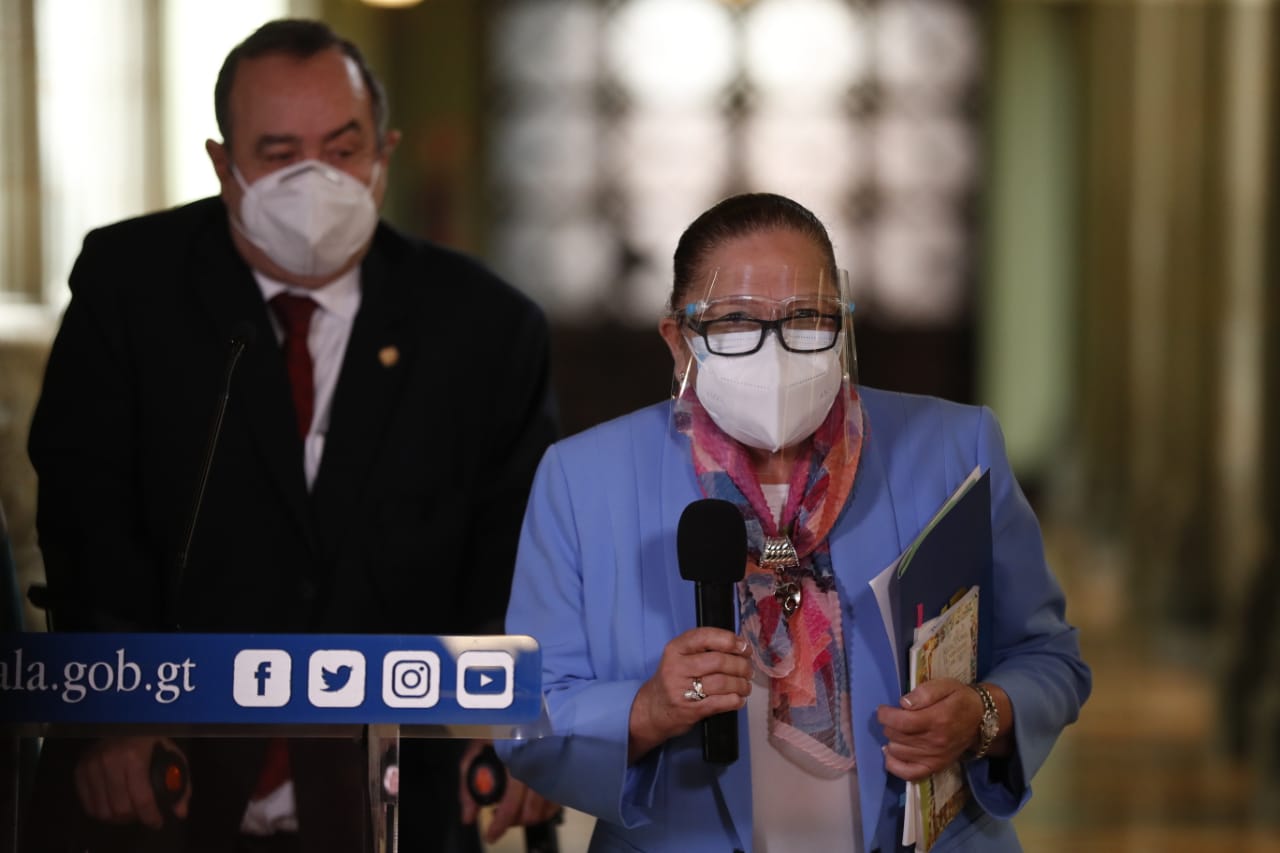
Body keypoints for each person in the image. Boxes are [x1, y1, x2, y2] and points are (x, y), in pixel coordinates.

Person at [25, 18, 558, 852]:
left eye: (342, 150)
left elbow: (518, 552)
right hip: (162, 776)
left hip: (396, 787)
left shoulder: (487, 327)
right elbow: (86, 514)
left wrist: (515, 721)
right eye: (279, 154)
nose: (315, 178)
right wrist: (114, 710)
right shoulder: (130, 286)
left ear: (385, 152)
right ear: (222, 165)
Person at [499, 192, 1092, 851]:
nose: (774, 351)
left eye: (808, 318)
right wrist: (644, 711)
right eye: (734, 322)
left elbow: (1049, 656)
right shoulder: (585, 480)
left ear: (844, 325)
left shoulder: (955, 449)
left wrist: (985, 716)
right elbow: (527, 711)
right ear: (678, 339)